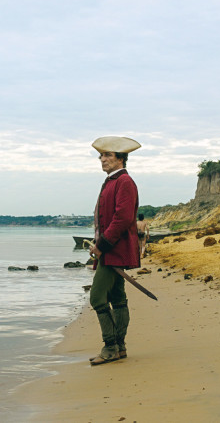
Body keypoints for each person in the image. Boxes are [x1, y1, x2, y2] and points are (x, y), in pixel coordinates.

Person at [87, 136, 141, 366]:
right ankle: (119, 348)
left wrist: (101, 246)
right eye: (102, 155)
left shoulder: (124, 181)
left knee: (97, 298)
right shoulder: (111, 181)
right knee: (117, 298)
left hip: (114, 250)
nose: (102, 159)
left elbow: (122, 218)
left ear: (121, 158)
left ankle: (110, 347)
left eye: (108, 155)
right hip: (110, 250)